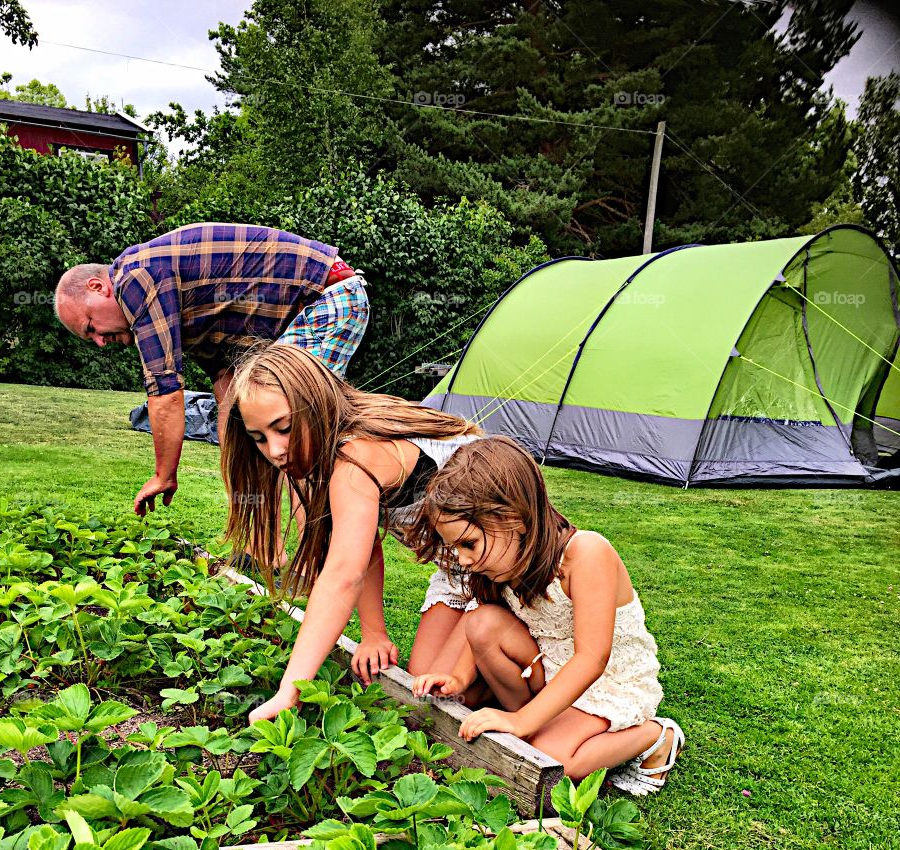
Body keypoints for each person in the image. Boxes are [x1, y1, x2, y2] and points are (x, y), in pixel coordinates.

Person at [408, 436, 684, 791]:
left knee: (552, 762)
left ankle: (656, 736)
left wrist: (522, 721)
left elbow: (591, 660)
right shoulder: (502, 564)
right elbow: (483, 615)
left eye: (469, 543)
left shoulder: (584, 553)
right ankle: (541, 724)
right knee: (480, 622)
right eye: (455, 547)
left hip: (607, 681)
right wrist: (460, 680)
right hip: (550, 669)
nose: (461, 559)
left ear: (513, 519)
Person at [221, 344, 482, 713]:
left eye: (284, 428)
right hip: (457, 571)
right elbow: (362, 546)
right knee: (429, 683)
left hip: (506, 565)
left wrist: (289, 691)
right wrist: (373, 632)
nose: (275, 450)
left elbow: (343, 574)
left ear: (315, 404)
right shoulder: (315, 459)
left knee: (451, 689)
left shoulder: (355, 456)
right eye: (259, 437)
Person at [53, 223, 369, 516]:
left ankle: (317, 560)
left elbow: (165, 391)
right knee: (245, 424)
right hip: (299, 316)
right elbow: (225, 385)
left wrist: (164, 475)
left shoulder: (134, 277)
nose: (100, 342)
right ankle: (262, 551)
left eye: (91, 327)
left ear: (98, 287)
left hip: (327, 298)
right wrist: (236, 435)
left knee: (294, 430)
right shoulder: (180, 304)